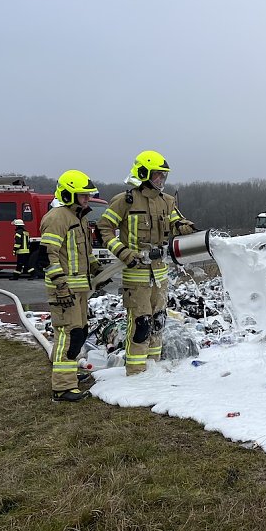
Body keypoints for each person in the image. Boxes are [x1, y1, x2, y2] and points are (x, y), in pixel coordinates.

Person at [97, 150, 196, 375]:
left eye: (163, 176)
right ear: (143, 174)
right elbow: (104, 228)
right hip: (136, 274)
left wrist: (184, 226)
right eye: (157, 175)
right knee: (141, 324)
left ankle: (154, 368)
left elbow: (176, 221)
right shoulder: (125, 201)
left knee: (158, 321)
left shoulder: (167, 201)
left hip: (160, 274)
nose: (161, 180)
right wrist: (123, 252)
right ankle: (136, 371)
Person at [40, 169, 104, 402]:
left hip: (79, 289)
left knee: (80, 332)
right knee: (69, 336)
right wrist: (61, 286)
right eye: (83, 195)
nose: (88, 199)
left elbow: (85, 253)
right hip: (64, 291)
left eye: (88, 195)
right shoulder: (57, 218)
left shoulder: (79, 218)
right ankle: (62, 387)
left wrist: (97, 269)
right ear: (68, 195)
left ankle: (70, 376)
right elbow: (48, 256)